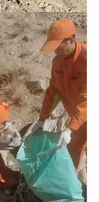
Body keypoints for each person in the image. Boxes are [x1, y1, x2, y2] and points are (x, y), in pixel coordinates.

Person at [25, 18, 87, 170]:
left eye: (58, 46)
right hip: (77, 116)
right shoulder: (57, 62)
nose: (55, 51)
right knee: (73, 150)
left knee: (75, 149)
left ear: (70, 40)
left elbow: (88, 100)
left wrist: (70, 129)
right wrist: (42, 119)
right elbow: (53, 91)